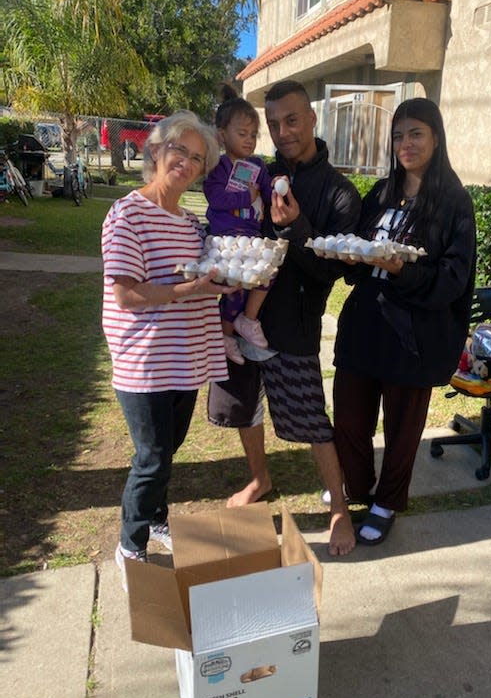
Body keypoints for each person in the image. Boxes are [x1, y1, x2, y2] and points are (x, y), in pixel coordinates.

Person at [208, 80, 361, 556]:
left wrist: (294, 226)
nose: (281, 131)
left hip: (292, 322)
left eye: (291, 120)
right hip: (238, 314)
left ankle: (338, 509)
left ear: (313, 117)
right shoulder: (260, 170)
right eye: (272, 124)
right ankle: (260, 479)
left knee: (311, 419)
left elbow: (329, 271)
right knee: (243, 409)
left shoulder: (340, 193)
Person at [333, 97, 477, 546]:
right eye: (398, 135)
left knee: (402, 426)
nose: (405, 144)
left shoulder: (454, 202)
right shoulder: (381, 192)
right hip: (364, 326)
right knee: (350, 417)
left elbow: (453, 278)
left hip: (413, 334)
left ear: (436, 137)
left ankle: (388, 500)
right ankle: (357, 488)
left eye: (416, 133)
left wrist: (402, 270)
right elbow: (358, 257)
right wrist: (350, 256)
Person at [102, 110, 235, 590]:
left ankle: (157, 520)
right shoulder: (127, 213)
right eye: (180, 150)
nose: (187, 162)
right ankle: (130, 542)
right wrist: (189, 291)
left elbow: (207, 274)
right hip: (145, 362)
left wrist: (228, 279)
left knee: (168, 450)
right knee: (152, 456)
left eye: (198, 159)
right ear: (155, 151)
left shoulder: (192, 223)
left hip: (185, 359)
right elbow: (127, 294)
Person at [204, 86, 273, 366]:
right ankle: (225, 336)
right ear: (222, 135)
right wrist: (247, 196)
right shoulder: (217, 167)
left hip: (251, 237)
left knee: (268, 271)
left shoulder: (257, 165)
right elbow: (216, 198)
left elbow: (268, 190)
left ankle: (248, 319)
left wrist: (277, 194)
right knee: (234, 288)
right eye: (242, 134)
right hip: (225, 240)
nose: (249, 141)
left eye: (253, 135)